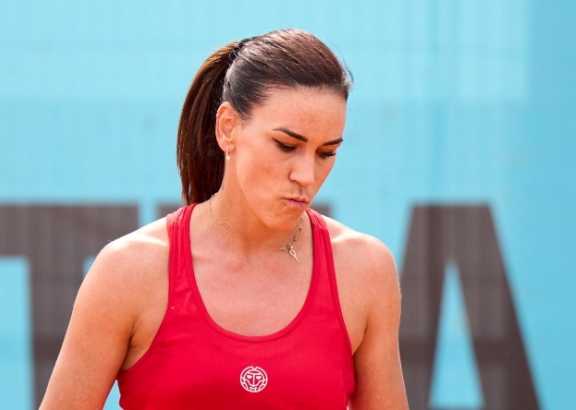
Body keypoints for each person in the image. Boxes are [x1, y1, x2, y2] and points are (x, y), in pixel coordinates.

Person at [40, 29, 408, 409]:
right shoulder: (128, 271)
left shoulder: (365, 271)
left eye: (326, 152)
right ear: (228, 128)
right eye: (286, 146)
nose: (307, 175)